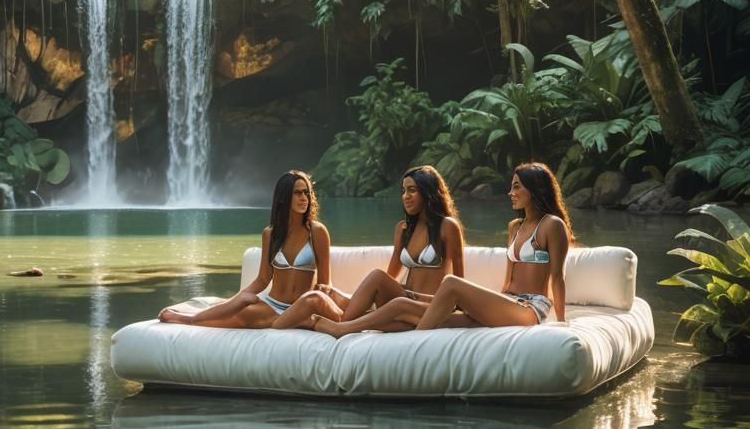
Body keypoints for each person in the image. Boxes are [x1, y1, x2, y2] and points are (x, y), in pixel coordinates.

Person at [313, 161, 572, 337]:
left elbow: (557, 277)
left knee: (450, 284)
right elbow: (509, 280)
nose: (510, 192)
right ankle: (347, 324)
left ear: (535, 188)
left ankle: (407, 340)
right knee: (403, 303)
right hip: (509, 301)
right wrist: (492, 301)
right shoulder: (515, 226)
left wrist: (561, 322)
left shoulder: (552, 225)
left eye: (516, 186)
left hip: (531, 308)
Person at [277, 164, 464, 330]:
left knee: (376, 279)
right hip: (403, 297)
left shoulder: (447, 226)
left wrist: (428, 301)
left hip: (430, 305)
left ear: (427, 191)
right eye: (403, 191)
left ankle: (341, 325)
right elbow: (390, 276)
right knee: (331, 292)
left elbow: (458, 284)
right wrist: (347, 296)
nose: (406, 196)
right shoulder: (403, 229)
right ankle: (341, 319)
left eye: (412, 190)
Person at [158, 170, 333, 327]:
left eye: (306, 192)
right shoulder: (270, 234)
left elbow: (325, 282)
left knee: (243, 315)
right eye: (297, 193)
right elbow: (263, 280)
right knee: (241, 312)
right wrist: (233, 300)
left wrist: (319, 302)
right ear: (283, 197)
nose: (304, 198)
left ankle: (189, 318)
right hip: (272, 304)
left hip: (300, 307)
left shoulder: (317, 232)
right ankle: (189, 318)